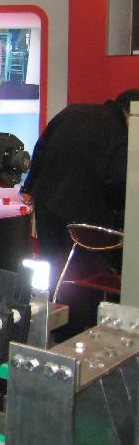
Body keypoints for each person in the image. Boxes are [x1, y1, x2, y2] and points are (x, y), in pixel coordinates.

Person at [22, 89, 139, 328]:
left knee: (55, 267)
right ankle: (78, 328)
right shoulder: (119, 132)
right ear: (130, 113)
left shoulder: (72, 111)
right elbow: (117, 181)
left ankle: (52, 323)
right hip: (84, 217)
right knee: (83, 276)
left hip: (47, 204)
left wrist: (30, 188)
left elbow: (40, 148)